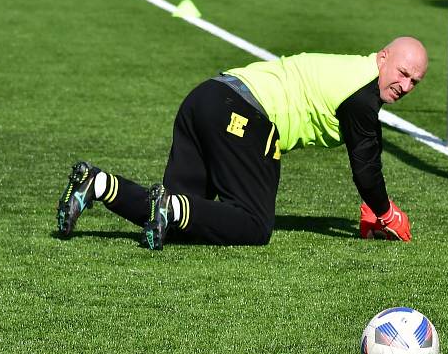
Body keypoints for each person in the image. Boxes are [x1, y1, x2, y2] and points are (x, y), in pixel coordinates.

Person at [56, 36, 428, 249]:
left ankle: (99, 184)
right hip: (245, 115)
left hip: (206, 97)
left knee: (177, 219)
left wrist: (373, 205)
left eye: (415, 81)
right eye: (402, 72)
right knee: (253, 225)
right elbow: (366, 167)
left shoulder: (353, 73)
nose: (406, 85)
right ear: (383, 57)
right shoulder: (361, 93)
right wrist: (386, 213)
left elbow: (367, 157)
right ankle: (166, 203)